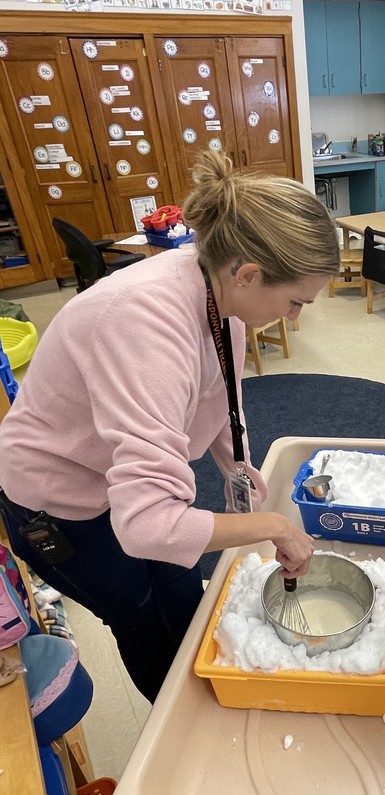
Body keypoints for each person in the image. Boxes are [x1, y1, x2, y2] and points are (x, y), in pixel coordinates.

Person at [0, 151, 339, 703]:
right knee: (138, 613)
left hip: (121, 478)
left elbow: (220, 402)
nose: (297, 317)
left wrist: (241, 479)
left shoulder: (217, 291)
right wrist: (273, 526)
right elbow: (149, 528)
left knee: (181, 589)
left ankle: (206, 685)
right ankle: (179, 716)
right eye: (296, 301)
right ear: (249, 273)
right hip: (58, 504)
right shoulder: (144, 323)